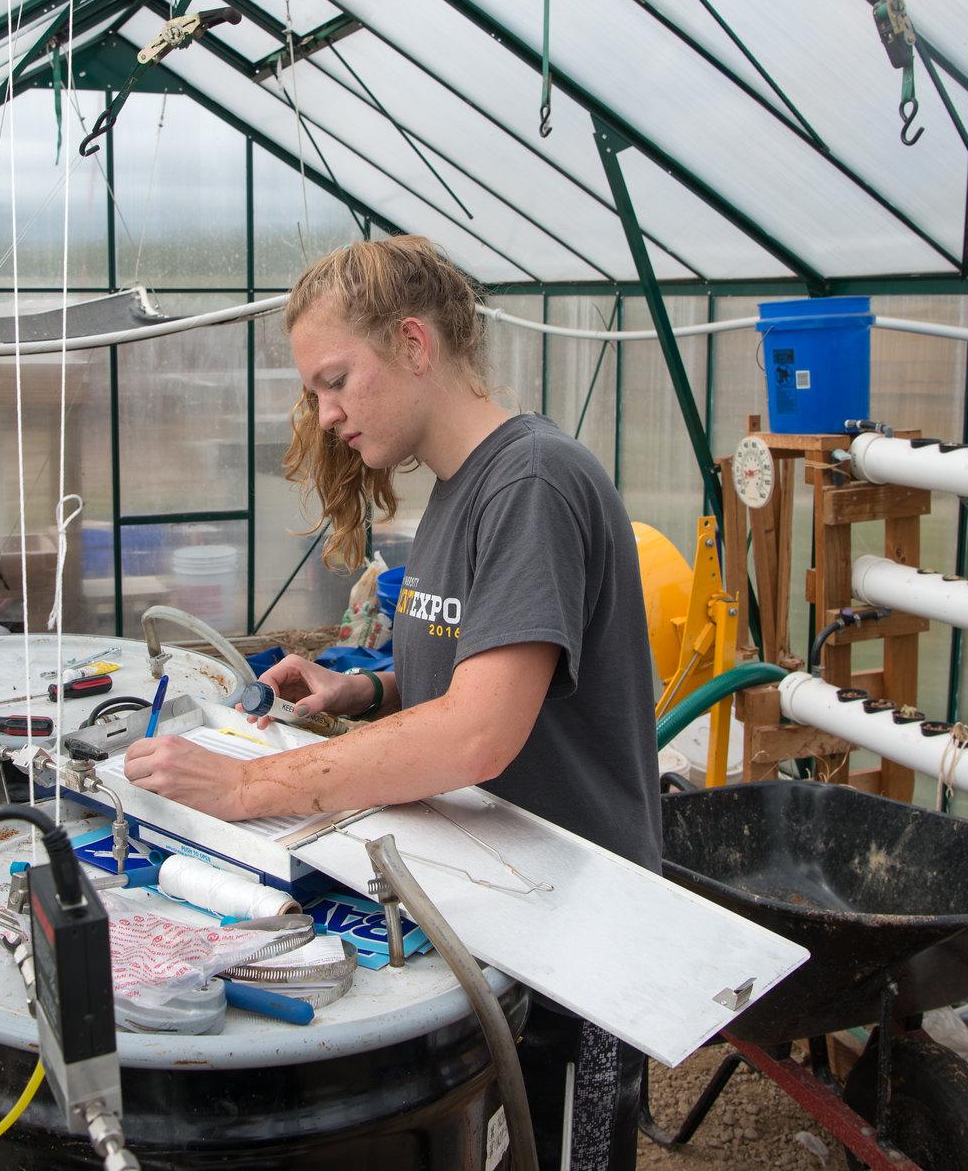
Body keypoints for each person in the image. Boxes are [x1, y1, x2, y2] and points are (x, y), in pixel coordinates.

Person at [124, 235, 660, 1171]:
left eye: (336, 381)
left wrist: (252, 787)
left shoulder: (531, 483)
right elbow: (475, 672)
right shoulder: (457, 492)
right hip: (503, 912)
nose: (325, 415)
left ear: (414, 343)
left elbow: (480, 732)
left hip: (579, 939)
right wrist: (363, 690)